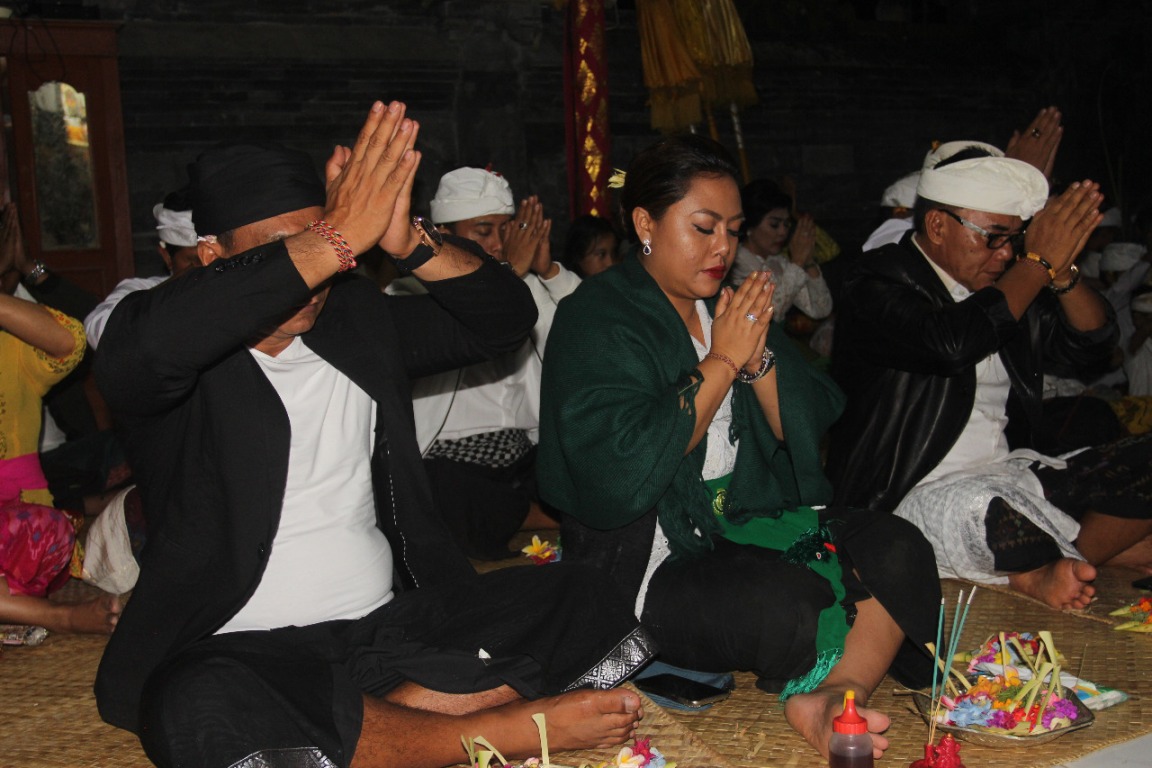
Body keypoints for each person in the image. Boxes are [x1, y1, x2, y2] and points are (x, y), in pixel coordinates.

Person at [94, 102, 650, 768]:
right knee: (197, 702)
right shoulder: (171, 346)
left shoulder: (353, 319)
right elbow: (136, 354)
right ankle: (489, 731)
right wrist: (331, 240)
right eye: (288, 249)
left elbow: (504, 321)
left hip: (392, 631)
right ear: (213, 256)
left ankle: (375, 736)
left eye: (328, 241)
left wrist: (405, 240)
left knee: (585, 592)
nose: (316, 272)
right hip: (244, 651)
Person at [537, 134, 940, 762]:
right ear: (644, 224)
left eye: (731, 229)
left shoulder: (722, 307)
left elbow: (810, 415)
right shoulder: (594, 317)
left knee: (898, 545)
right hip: (647, 555)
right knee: (789, 602)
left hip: (742, 521)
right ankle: (807, 663)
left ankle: (835, 693)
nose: (722, 248)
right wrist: (722, 359)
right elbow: (620, 469)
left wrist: (754, 361)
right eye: (703, 228)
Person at [829, 153, 1152, 611]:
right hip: (911, 495)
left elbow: (1092, 346)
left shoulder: (1007, 283)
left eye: (1014, 240)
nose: (1005, 254)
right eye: (993, 237)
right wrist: (1035, 263)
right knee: (979, 509)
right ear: (937, 225)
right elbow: (951, 344)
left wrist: (1060, 272)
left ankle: (1056, 558)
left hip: (1011, 478)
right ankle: (1058, 561)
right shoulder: (875, 278)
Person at [392, 167, 577, 558]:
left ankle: (529, 515)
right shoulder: (405, 292)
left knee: (585, 459)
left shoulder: (530, 283)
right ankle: (541, 518)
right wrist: (509, 275)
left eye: (506, 230)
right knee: (441, 488)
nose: (498, 243)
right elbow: (472, 319)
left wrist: (547, 271)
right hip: (454, 460)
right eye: (483, 231)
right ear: (441, 233)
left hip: (525, 452)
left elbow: (584, 338)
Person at [0, 204, 121, 635]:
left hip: (18, 534)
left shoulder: (11, 346)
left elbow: (71, 342)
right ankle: (58, 616)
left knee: (42, 529)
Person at [84, 188, 201, 349]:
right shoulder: (142, 290)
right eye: (195, 260)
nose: (208, 265)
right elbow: (99, 332)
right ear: (167, 256)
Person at [726, 179, 833, 324]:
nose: (783, 232)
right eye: (774, 225)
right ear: (750, 225)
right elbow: (766, 315)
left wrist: (807, 261)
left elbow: (821, 310)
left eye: (786, 224)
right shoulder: (736, 262)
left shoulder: (778, 262)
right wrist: (797, 262)